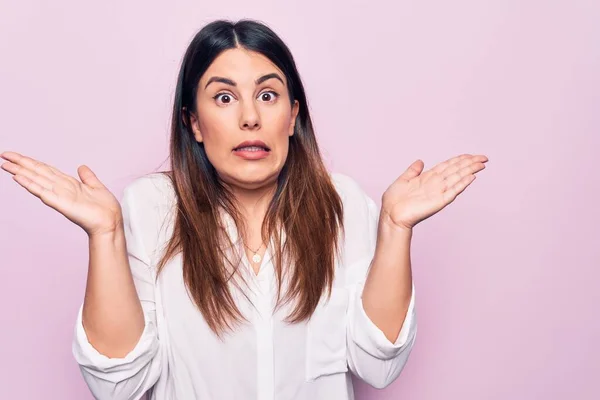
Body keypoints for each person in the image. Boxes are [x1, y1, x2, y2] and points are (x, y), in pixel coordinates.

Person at [0, 19, 488, 400]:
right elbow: (117, 382)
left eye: (268, 95)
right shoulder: (150, 208)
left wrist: (394, 228)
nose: (250, 117)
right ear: (193, 122)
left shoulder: (344, 204)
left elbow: (378, 367)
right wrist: (105, 234)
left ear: (293, 116)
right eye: (225, 97)